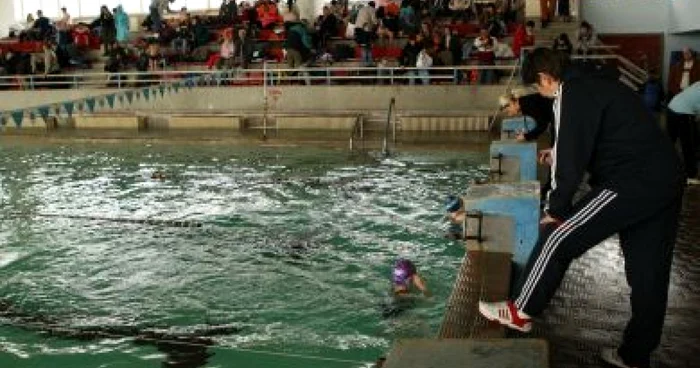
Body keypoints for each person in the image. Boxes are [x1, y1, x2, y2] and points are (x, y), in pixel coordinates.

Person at [478, 48, 685, 368]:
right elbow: (589, 138)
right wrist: (556, 154)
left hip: (632, 179)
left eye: (539, 87)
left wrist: (556, 208)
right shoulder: (594, 82)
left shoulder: (571, 92)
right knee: (648, 274)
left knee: (557, 235)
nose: (541, 93)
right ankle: (634, 356)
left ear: (546, 78)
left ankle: (520, 311)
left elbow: (571, 162)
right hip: (664, 177)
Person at [667, 81, 700, 184]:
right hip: (683, 112)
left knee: (670, 140)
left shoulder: (698, 83)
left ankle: (664, 165)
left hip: (671, 106)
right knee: (688, 144)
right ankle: (691, 174)